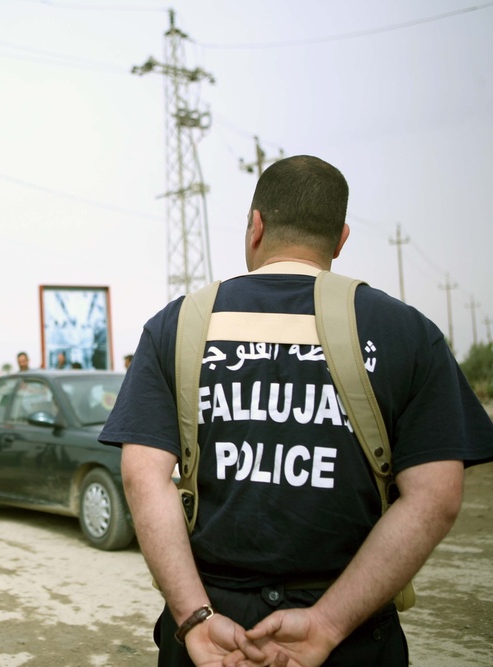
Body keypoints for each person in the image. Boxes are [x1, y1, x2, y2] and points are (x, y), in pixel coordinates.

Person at [99, 155, 493, 667]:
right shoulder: (408, 332)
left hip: (213, 632)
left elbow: (143, 478)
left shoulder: (176, 326)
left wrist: (193, 617)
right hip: (351, 635)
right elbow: (436, 498)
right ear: (341, 238)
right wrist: (327, 623)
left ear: (256, 225)